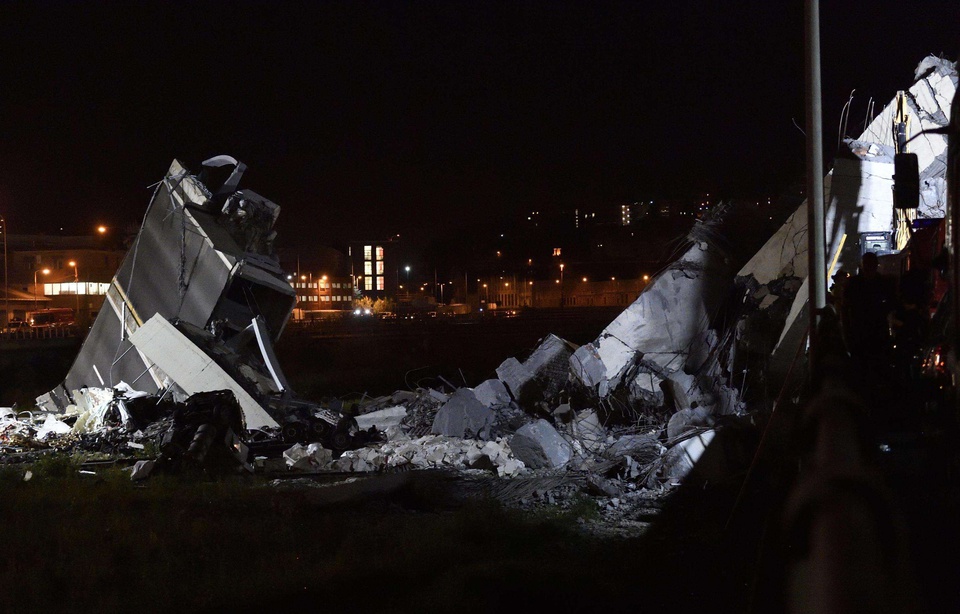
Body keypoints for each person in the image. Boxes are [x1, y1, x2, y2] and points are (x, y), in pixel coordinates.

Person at [842, 252, 896, 361]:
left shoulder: (854, 284)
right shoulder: (882, 283)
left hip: (867, 335)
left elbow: (845, 311)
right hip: (868, 335)